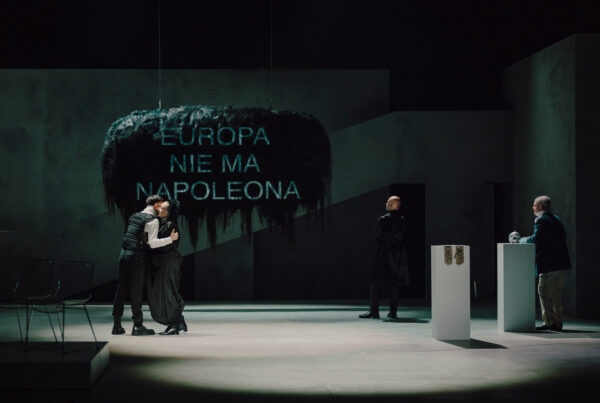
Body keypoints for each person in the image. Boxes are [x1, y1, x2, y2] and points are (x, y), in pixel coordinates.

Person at [112, 194, 179, 336]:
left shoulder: (134, 216)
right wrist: (170, 239)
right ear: (156, 205)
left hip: (123, 254)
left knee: (121, 288)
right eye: (160, 205)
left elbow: (136, 235)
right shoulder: (152, 220)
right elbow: (152, 243)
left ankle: (116, 325)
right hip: (136, 256)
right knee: (136, 291)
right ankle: (138, 325)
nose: (161, 208)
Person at [520, 195, 571, 331]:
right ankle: (558, 323)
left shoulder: (542, 221)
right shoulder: (556, 219)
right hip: (561, 263)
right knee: (556, 295)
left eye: (534, 205)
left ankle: (549, 322)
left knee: (544, 292)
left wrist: (522, 240)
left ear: (541, 207)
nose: (533, 207)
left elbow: (536, 239)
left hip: (549, 264)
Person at [360, 195, 409, 319]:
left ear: (391, 204)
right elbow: (401, 236)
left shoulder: (383, 219)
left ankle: (374, 311)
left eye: (387, 202)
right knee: (395, 282)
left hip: (384, 253)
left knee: (375, 281)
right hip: (397, 253)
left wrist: (386, 238)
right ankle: (393, 311)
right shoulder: (402, 220)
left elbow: (377, 236)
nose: (386, 204)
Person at [146, 200, 187, 335]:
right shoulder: (163, 223)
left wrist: (151, 245)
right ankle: (178, 321)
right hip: (166, 261)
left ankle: (174, 324)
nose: (159, 210)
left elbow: (166, 246)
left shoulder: (169, 224)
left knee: (168, 292)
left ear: (169, 212)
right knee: (167, 291)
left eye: (163, 209)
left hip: (168, 262)